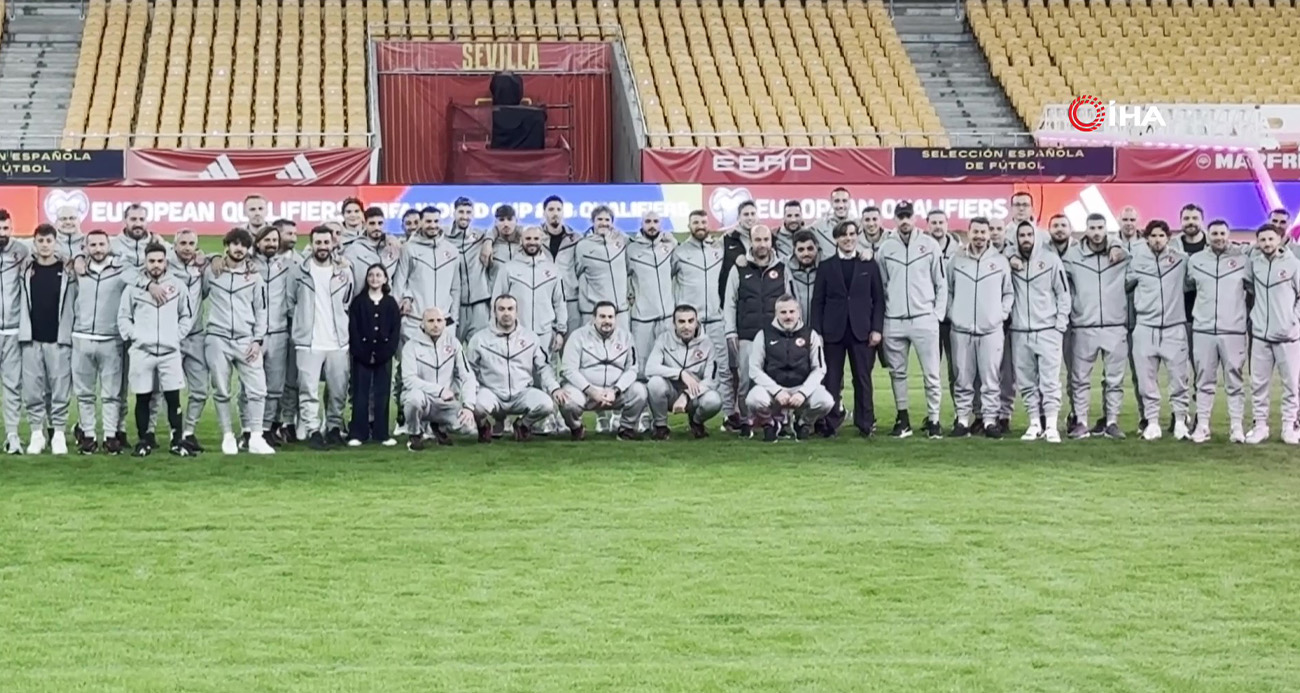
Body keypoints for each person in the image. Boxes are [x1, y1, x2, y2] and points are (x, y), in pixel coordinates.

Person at [877, 201, 946, 438]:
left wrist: (937, 314)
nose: (904, 220)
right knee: (897, 372)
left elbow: (941, 283)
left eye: (908, 216)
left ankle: (934, 419)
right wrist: (887, 312)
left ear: (915, 218)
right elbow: (882, 284)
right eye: (900, 217)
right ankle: (903, 417)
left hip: (923, 317)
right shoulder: (886, 248)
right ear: (894, 219)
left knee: (932, 373)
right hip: (894, 320)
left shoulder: (929, 245)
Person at [202, 228, 274, 455]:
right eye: (234, 244)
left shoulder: (254, 277)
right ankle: (227, 436)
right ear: (226, 246)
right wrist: (211, 259)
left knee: (258, 389)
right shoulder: (212, 272)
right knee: (222, 390)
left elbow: (262, 311)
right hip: (217, 338)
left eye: (243, 245)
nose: (239, 248)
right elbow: (197, 295)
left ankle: (256, 437)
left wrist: (258, 340)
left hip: (246, 340)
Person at [117, 243, 194, 457]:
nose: (156, 265)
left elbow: (187, 316)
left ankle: (177, 439)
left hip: (170, 352)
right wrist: (135, 336)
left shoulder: (178, 286)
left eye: (160, 261)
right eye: (152, 261)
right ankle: (144, 439)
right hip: (143, 351)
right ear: (145, 262)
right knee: (143, 397)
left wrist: (175, 337)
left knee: (173, 397)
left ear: (166, 262)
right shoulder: (133, 288)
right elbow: (123, 316)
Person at [810, 220, 884, 437]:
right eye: (843, 235)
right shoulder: (826, 266)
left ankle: (866, 423)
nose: (848, 238)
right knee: (831, 379)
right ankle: (830, 423)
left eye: (852, 234)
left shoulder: (869, 265)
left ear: (857, 236)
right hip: (833, 331)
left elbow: (878, 299)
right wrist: (817, 332)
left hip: (862, 330)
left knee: (862, 378)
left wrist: (876, 328)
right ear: (836, 239)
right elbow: (818, 301)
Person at [1062, 213, 1130, 440]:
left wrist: (1117, 244)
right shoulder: (1072, 256)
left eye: (1101, 227)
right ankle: (1080, 421)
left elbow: (1135, 244)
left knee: (1114, 379)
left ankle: (1111, 421)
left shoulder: (1122, 255)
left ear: (1107, 229)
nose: (1096, 232)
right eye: (1092, 228)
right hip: (1083, 326)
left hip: (1115, 324)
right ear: (1086, 229)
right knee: (1080, 378)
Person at [288, 226, 355, 450]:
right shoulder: (299, 271)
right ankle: (313, 430)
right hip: (308, 342)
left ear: (332, 244)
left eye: (326, 242)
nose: (323, 247)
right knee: (308, 389)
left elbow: (348, 301)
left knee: (338, 389)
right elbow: (290, 302)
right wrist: (300, 326)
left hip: (338, 342)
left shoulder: (344, 272)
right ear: (312, 244)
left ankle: (334, 428)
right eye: (318, 242)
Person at [945, 217, 1012, 438]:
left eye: (984, 232)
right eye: (976, 232)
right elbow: (948, 290)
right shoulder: (957, 260)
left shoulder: (1000, 261)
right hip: (961, 329)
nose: (980, 236)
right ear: (969, 233)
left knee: (990, 379)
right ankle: (963, 420)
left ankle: (990, 420)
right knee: (962, 378)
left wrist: (999, 315)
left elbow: (1008, 293)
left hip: (991, 330)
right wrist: (953, 314)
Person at [467, 294, 565, 442]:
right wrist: (469, 396)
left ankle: (523, 425)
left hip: (522, 393)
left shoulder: (530, 337)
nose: (506, 313)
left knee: (547, 404)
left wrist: (554, 388)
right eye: (501, 309)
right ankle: (483, 426)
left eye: (510, 309)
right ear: (494, 312)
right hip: (492, 393)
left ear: (516, 312)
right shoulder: (479, 339)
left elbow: (543, 367)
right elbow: (469, 371)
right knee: (477, 406)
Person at [1126, 220, 1190, 441]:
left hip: (1174, 327)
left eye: (1161, 235)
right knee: (1146, 380)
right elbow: (1124, 283)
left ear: (1168, 237)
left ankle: (1180, 420)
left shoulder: (1181, 260)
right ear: (1146, 238)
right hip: (1145, 327)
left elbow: (1193, 281)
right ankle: (1152, 422)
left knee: (1179, 378)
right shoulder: (1136, 261)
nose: (1157, 240)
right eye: (1153, 236)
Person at [722, 224, 788, 437]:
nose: (762, 244)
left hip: (775, 335)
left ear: (771, 241)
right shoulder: (739, 268)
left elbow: (790, 301)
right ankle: (745, 421)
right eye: (757, 240)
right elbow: (730, 302)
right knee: (745, 382)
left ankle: (779, 420)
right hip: (746, 335)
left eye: (766, 240)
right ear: (750, 242)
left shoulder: (782, 268)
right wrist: (730, 331)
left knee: (779, 378)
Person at [1186, 220, 1248, 443]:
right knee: (1204, 380)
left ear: (1228, 234)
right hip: (1203, 330)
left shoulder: (1243, 260)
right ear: (1208, 235)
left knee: (1235, 380)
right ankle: (1202, 426)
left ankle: (1236, 427)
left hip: (1233, 331)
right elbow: (1188, 285)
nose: (1219, 237)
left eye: (1222, 233)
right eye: (1214, 234)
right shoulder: (1195, 261)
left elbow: (1251, 288)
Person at [1009, 220, 1071, 443]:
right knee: (1026, 381)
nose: (1025, 239)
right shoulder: (1010, 261)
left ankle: (1052, 425)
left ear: (1036, 236)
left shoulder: (1051, 260)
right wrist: (1010, 258)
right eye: (1021, 235)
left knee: (1050, 381)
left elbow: (1063, 294)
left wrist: (1059, 326)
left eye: (1029, 235)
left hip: (1047, 330)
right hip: (1020, 331)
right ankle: (1034, 423)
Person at [69, 229, 128, 454]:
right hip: (82, 338)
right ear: (85, 248)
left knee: (111, 393)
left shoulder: (121, 271)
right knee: (84, 393)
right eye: (92, 245)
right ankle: (89, 436)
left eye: (101, 244)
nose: (98, 249)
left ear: (108, 245)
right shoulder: (78, 271)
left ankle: (111, 436)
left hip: (111, 339)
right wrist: (76, 258)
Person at [671, 210, 732, 428]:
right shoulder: (678, 251)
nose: (700, 225)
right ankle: (682, 410)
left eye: (703, 222)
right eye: (695, 222)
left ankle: (729, 415)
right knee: (688, 369)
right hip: (689, 323)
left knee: (722, 369)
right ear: (688, 226)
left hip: (716, 320)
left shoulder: (718, 249)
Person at [746, 294, 833, 442]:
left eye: (792, 312)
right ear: (776, 314)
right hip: (773, 390)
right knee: (753, 399)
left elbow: (819, 369)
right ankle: (770, 424)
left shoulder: (811, 335)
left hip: (800, 388)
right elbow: (754, 369)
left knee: (826, 401)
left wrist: (803, 393)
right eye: (783, 312)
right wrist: (777, 390)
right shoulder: (763, 335)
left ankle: (803, 423)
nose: (788, 316)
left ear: (798, 312)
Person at [19, 224, 75, 455]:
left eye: (48, 241)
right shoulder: (26, 269)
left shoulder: (67, 270)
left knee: (60, 388)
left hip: (59, 339)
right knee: (33, 390)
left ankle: (58, 433)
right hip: (31, 339)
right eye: (40, 241)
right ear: (34, 243)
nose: (44, 245)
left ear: (55, 242)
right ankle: (36, 433)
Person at [559, 301, 647, 440]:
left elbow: (632, 368)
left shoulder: (626, 337)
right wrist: (591, 391)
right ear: (594, 318)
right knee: (567, 401)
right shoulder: (578, 336)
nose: (607, 321)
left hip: (615, 392)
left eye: (610, 317)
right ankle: (576, 428)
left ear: (615, 319)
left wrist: (615, 390)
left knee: (640, 391)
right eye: (602, 317)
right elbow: (568, 369)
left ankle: (626, 428)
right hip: (586, 392)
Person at [1245, 223, 1300, 444]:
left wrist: (1294, 319)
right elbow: (1249, 289)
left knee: (1291, 384)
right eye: (1263, 240)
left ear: (1279, 240)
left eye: (1271, 239)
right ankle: (1260, 426)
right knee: (1258, 384)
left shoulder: (1294, 264)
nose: (1267, 243)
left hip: (1289, 336)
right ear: (1258, 242)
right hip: (1260, 335)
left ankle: (1289, 426)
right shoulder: (1254, 264)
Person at [401, 306, 479, 449]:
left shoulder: (454, 344)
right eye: (430, 321)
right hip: (423, 399)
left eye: (439, 320)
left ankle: (439, 428)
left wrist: (468, 406)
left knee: (468, 428)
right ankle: (415, 433)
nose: (435, 325)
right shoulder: (411, 346)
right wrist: (439, 390)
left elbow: (467, 376)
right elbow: (408, 380)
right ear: (422, 323)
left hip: (446, 403)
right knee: (413, 399)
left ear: (445, 322)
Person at [645, 304, 722, 439]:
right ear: (674, 323)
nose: (686, 326)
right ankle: (660, 426)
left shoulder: (708, 344)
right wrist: (680, 373)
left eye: (690, 321)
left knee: (714, 400)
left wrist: (687, 395)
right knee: (654, 383)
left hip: (695, 397)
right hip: (671, 394)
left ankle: (696, 423)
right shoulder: (664, 339)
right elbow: (650, 368)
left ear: (697, 322)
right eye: (681, 322)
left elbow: (712, 381)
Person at [348, 263, 401, 446]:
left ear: (385, 279)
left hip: (383, 356)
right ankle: (358, 433)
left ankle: (381, 433)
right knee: (360, 393)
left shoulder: (391, 303)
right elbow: (353, 330)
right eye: (371, 275)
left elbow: (395, 331)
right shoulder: (359, 302)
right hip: (361, 355)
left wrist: (385, 353)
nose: (375, 279)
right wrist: (362, 353)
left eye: (379, 275)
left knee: (382, 393)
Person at [627, 211, 677, 389]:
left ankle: (663, 407)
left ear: (661, 224)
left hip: (668, 317)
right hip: (642, 318)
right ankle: (643, 412)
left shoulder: (669, 246)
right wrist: (630, 295)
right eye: (648, 221)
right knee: (641, 367)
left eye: (656, 221)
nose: (652, 225)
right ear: (641, 224)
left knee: (670, 364)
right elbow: (622, 274)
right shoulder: (631, 248)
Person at [573, 205, 630, 330]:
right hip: (593, 312)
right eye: (600, 220)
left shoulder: (622, 241)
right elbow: (577, 272)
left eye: (607, 220)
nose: (603, 223)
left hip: (620, 312)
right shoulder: (583, 246)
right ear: (593, 222)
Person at [0, 210, 28, 454]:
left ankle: (12, 436)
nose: (2, 234)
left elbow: (54, 246)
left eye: (5, 229)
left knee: (12, 386)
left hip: (11, 332)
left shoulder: (22, 250)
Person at [447, 197, 495, 342]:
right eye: (461, 212)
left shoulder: (481, 235)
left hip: (479, 305)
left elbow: (500, 228)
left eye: (468, 212)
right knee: (450, 352)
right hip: (455, 306)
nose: (465, 216)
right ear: (454, 213)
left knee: (481, 352)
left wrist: (488, 241)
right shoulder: (444, 237)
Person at [786, 230, 819, 320]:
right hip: (795, 325)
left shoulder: (827, 266)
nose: (806, 253)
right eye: (801, 250)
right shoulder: (784, 268)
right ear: (794, 250)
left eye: (810, 248)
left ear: (817, 247)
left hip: (821, 327)